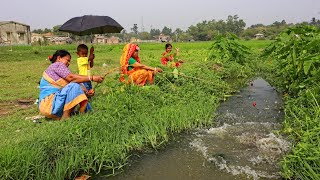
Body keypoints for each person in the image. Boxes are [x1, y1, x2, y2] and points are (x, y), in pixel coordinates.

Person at [39, 50, 104, 120]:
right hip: (50, 104)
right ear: (59, 58)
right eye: (67, 60)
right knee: (74, 86)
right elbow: (71, 78)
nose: (69, 63)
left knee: (76, 85)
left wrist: (87, 93)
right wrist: (92, 78)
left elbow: (75, 82)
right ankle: (65, 116)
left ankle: (76, 113)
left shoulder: (58, 69)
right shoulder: (57, 65)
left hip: (49, 106)